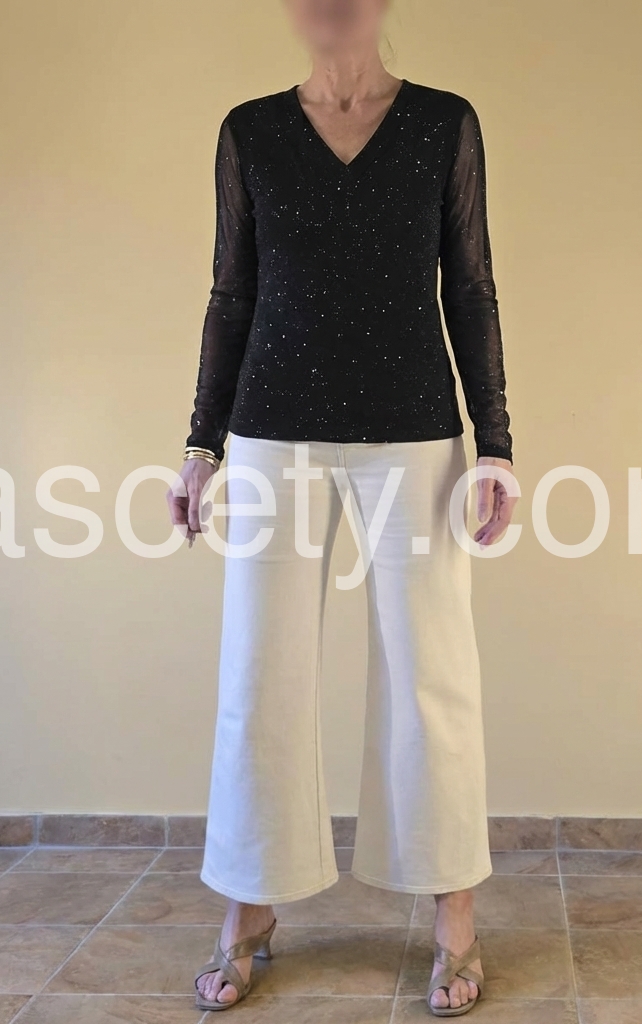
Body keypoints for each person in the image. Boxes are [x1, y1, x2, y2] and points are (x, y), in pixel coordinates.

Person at [169, 0, 517, 1015]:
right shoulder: (251, 130)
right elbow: (232, 291)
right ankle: (249, 906)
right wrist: (201, 445)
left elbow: (470, 287)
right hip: (271, 430)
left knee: (432, 676)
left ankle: (453, 914)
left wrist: (494, 444)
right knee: (259, 673)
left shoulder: (443, 123)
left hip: (415, 431)